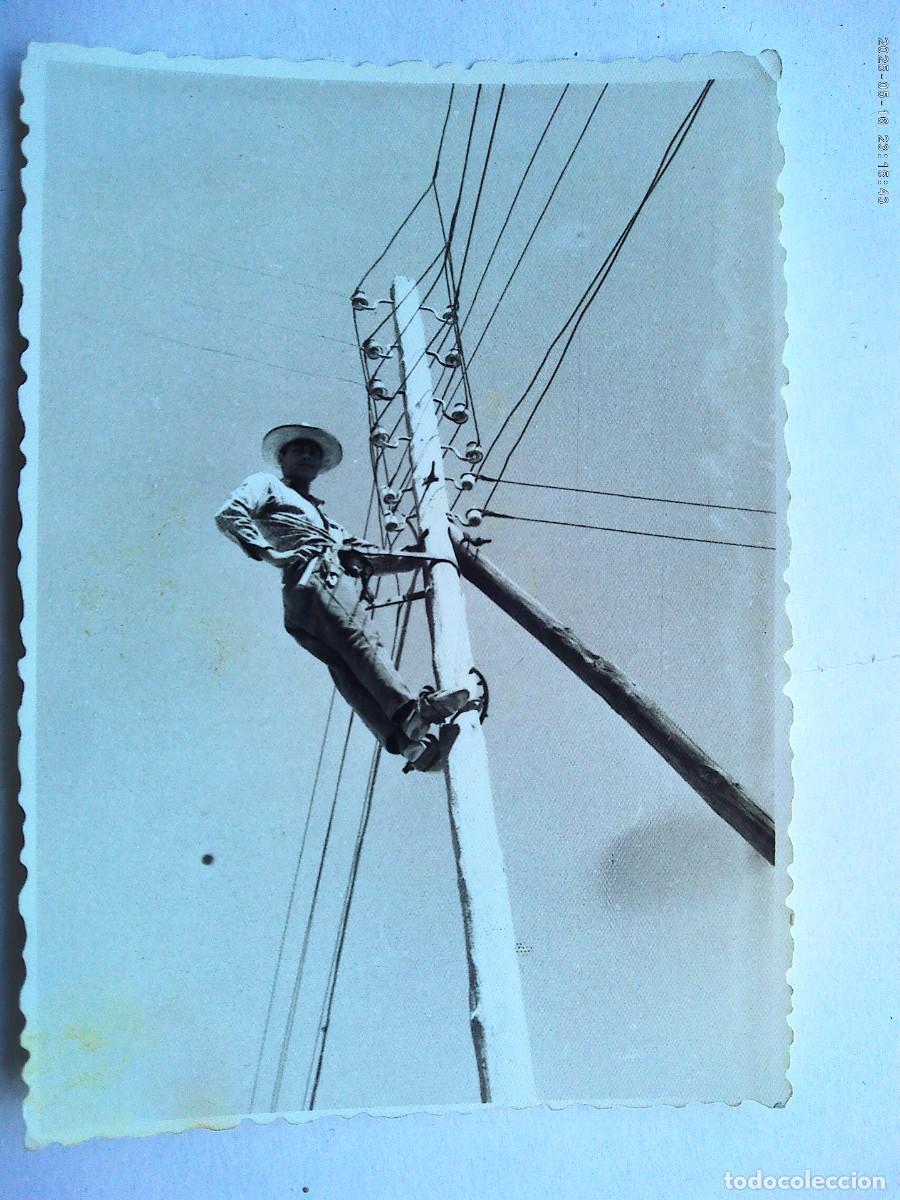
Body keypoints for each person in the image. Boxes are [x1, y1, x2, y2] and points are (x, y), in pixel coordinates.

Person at [215, 423, 472, 771]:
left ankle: (408, 745)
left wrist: (423, 554)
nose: (308, 456)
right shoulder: (267, 484)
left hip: (304, 598)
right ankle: (413, 711)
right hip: (316, 575)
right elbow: (230, 514)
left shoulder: (326, 522)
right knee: (361, 640)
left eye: (314, 453)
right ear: (282, 457)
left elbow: (368, 555)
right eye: (299, 449)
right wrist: (268, 553)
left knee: (346, 668)